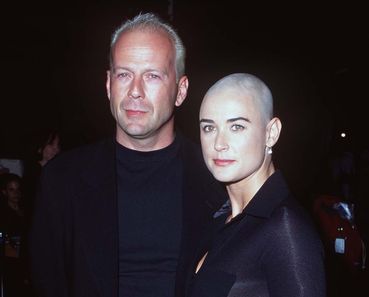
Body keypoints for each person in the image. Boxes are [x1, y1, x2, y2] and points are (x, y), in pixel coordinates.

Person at [29, 12, 225, 297]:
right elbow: (46, 283)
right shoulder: (61, 180)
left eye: (152, 76)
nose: (135, 91)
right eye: (124, 74)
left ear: (181, 91)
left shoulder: (219, 181)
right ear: (109, 84)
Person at [187, 73, 326, 297]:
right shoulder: (217, 216)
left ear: (271, 133)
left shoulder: (286, 228)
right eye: (209, 128)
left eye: (237, 127)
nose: (219, 144)